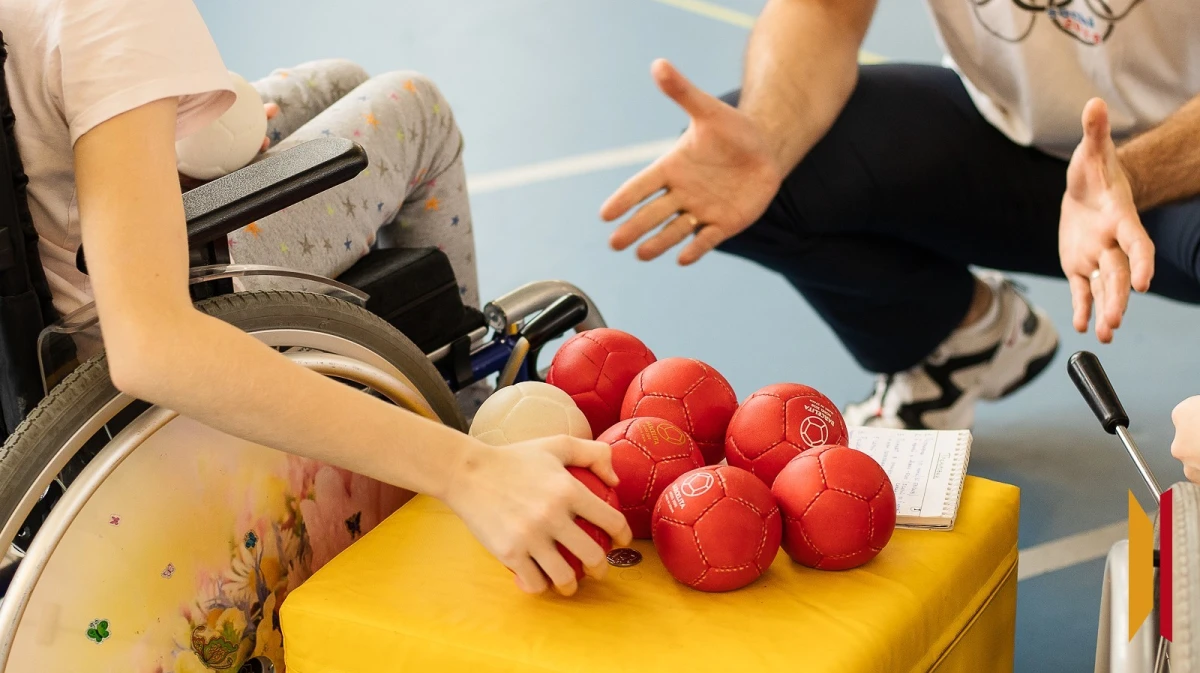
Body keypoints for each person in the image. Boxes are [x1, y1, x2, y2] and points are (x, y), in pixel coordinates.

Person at [1, 0, 630, 598]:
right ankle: (467, 410)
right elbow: (152, 347)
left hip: (42, 289)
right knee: (417, 107)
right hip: (134, 307)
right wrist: (468, 470)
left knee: (341, 81)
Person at [601, 0, 1200, 432]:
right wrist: (772, 135)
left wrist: (1132, 174)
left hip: (1174, 172)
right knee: (753, 180)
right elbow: (827, 9)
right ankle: (967, 340)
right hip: (1005, 140)